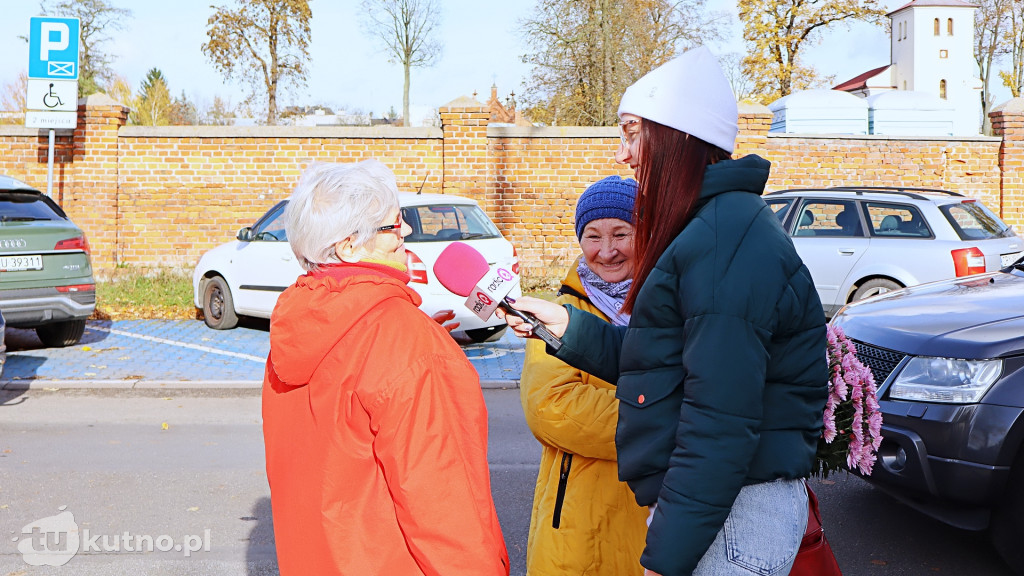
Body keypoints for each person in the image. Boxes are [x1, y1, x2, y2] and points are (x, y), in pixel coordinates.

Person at [500, 46, 828, 576]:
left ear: (676, 137)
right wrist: (569, 328)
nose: (622, 154)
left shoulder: (723, 243)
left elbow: (717, 425)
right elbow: (674, 361)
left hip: (732, 519)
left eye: (632, 133)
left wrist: (664, 560)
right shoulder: (714, 229)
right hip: (722, 512)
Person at [261, 160, 509, 576]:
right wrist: (416, 349)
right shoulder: (404, 341)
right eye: (393, 226)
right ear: (348, 246)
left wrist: (413, 343)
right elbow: (445, 507)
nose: (406, 233)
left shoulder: (298, 324)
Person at [520, 175, 649, 576]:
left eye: (621, 234)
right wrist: (661, 417)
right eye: (593, 236)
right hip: (578, 521)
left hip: (655, 516)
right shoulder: (559, 315)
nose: (606, 251)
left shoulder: (668, 307)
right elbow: (552, 408)